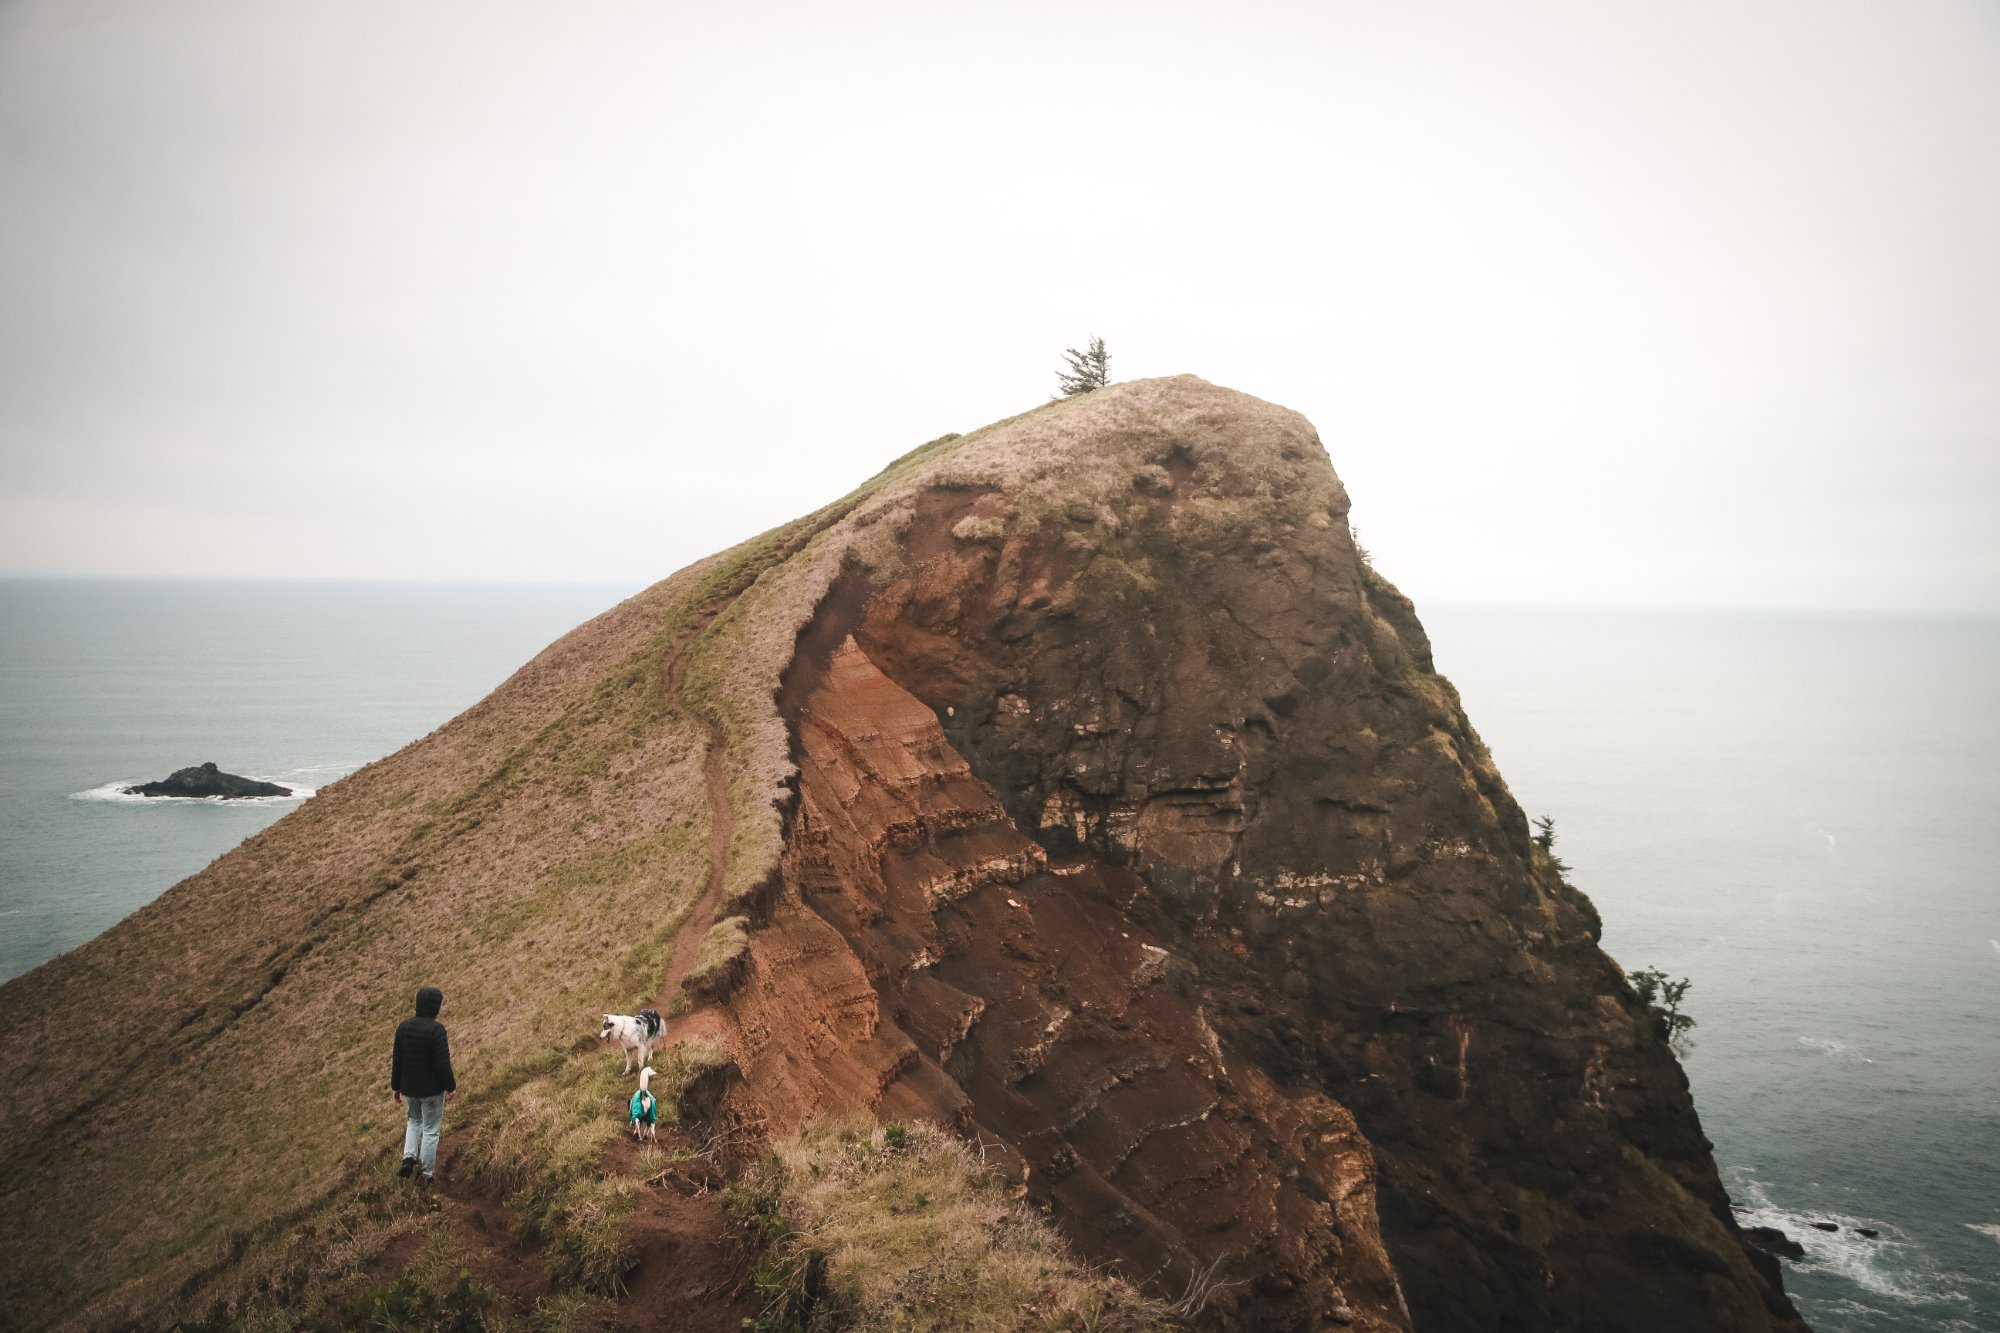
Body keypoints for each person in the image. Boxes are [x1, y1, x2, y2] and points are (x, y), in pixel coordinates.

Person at [389, 984, 456, 1182]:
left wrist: (396, 1088)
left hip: (409, 1089)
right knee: (430, 1130)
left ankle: (408, 1159)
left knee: (414, 1122)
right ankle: (426, 1175)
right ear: (435, 1007)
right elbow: (442, 1064)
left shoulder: (403, 1027)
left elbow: (397, 1060)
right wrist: (450, 1086)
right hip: (431, 1091)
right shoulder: (436, 1030)